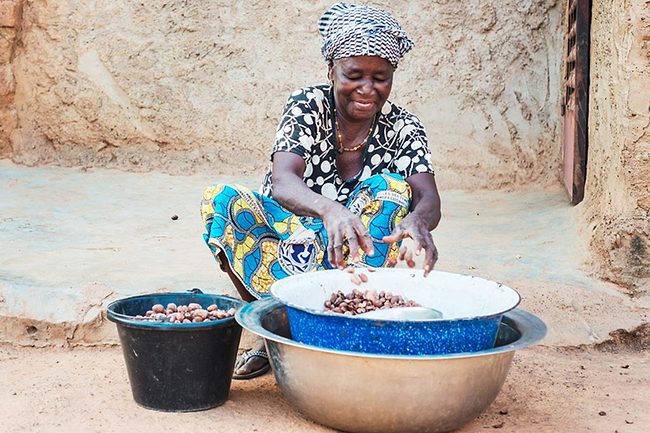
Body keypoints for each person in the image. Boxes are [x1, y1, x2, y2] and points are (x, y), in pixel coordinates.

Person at [200, 2, 441, 379]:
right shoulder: (307, 105)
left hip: (361, 252)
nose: (367, 89)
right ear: (332, 69)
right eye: (354, 74)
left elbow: (428, 197)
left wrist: (418, 221)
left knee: (394, 189)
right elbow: (283, 181)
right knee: (222, 201)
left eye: (380, 77)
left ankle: (351, 329)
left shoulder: (404, 126)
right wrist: (329, 210)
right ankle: (275, 328)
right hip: (292, 237)